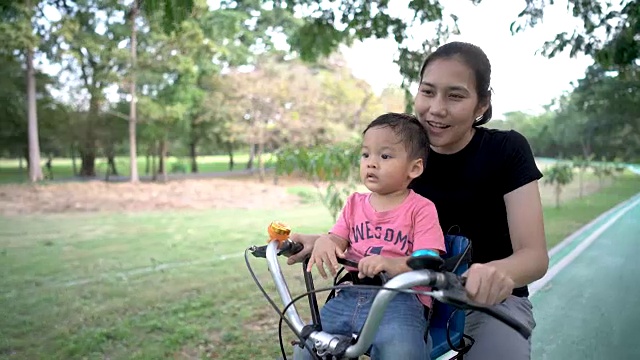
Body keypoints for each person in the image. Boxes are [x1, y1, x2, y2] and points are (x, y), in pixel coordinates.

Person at [287, 41, 549, 360]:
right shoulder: (403, 154)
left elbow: (534, 257)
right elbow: (376, 225)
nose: (436, 108)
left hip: (485, 299)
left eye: (455, 95)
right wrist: (322, 241)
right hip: (402, 296)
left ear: (482, 104)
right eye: (427, 92)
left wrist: (495, 272)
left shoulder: (507, 150)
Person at [294, 112, 447, 360]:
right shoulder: (354, 203)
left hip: (399, 300)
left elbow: (429, 260)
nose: (371, 163)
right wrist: (325, 241)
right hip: (350, 294)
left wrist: (391, 263)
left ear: (414, 168)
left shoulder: (421, 208)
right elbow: (337, 240)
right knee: (307, 347)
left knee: (402, 352)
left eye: (384, 156)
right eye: (366, 154)